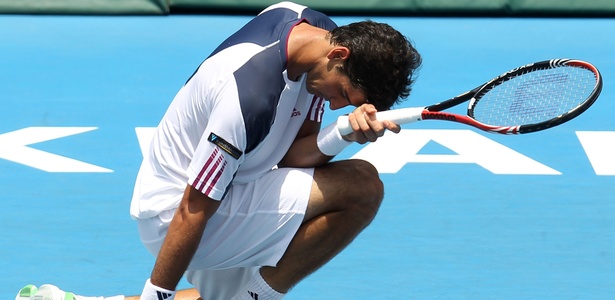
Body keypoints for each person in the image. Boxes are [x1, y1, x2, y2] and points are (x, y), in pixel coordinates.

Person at [17, 1, 421, 299]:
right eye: (344, 94)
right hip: (177, 213)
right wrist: (158, 291)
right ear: (339, 55)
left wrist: (344, 133)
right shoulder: (248, 95)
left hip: (238, 188)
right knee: (362, 186)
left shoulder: (313, 30)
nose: (337, 105)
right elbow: (194, 205)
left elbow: (292, 158)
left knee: (215, 298)